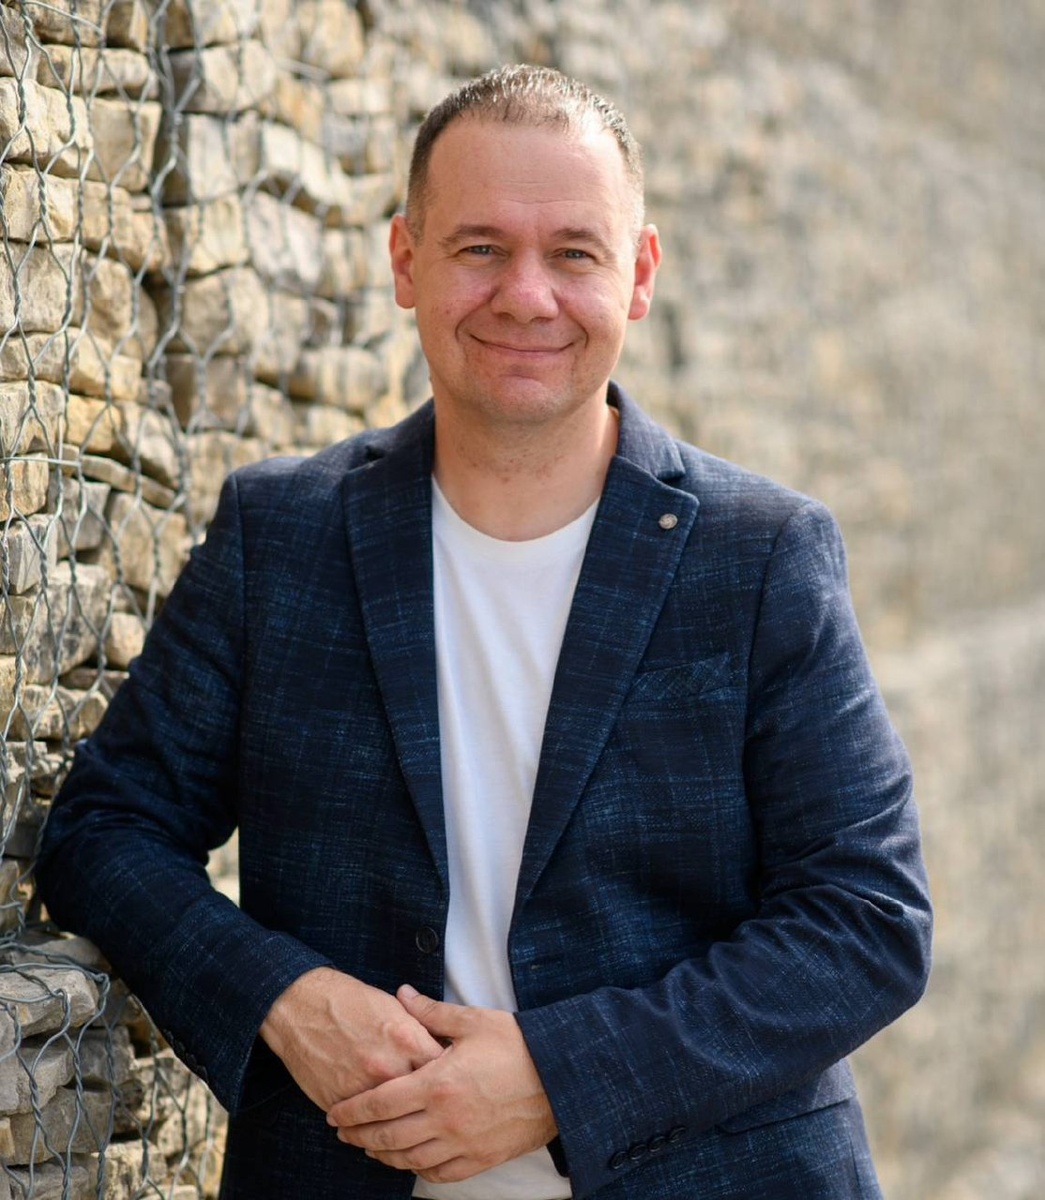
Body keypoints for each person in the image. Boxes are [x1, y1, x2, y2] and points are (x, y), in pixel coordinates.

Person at [37, 64, 931, 1200]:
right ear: (405, 262)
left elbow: (865, 921)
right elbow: (105, 831)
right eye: (479, 248)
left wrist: (561, 1078)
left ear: (638, 274)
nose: (525, 295)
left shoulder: (760, 556)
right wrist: (286, 998)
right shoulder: (283, 535)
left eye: (574, 252)